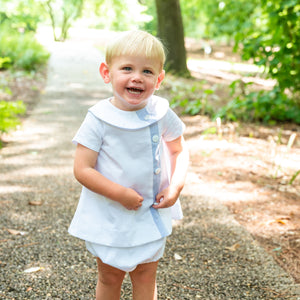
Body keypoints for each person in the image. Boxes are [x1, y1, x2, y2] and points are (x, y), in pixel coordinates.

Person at [68, 30, 189, 300]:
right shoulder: (98, 119)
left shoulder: (160, 112)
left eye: (147, 71)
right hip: (110, 213)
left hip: (150, 211)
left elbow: (178, 149)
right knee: (110, 276)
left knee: (146, 275)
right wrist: (119, 193)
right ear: (106, 73)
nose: (136, 77)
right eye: (127, 68)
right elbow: (82, 168)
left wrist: (176, 186)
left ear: (158, 79)